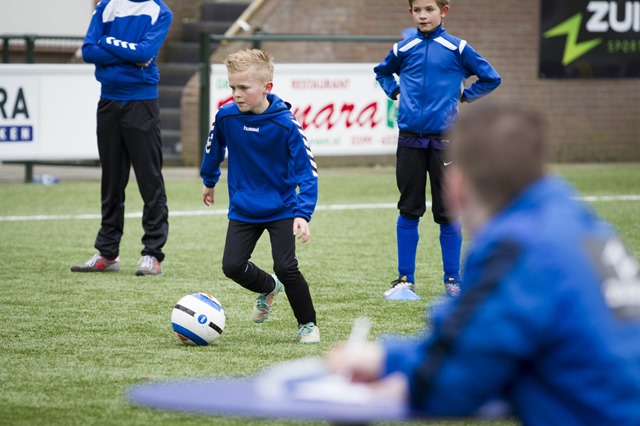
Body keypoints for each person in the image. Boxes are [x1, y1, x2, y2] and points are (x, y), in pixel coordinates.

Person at [326, 104, 640, 424]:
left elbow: (449, 379)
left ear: (456, 188)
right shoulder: (583, 224)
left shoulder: (519, 245)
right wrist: (391, 358)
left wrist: (384, 360)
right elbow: (484, 343)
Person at [374, 0, 501, 298]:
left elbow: (491, 77)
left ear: (444, 11)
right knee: (409, 209)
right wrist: (394, 91)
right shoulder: (402, 49)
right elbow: (382, 72)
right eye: (417, 10)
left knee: (448, 212)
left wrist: (465, 97)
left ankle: (453, 281)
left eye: (429, 9)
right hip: (409, 141)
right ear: (410, 13)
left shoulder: (458, 48)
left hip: (445, 143)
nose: (422, 15)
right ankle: (405, 280)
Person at [200, 49, 320, 343]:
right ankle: (268, 287)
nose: (236, 94)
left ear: (267, 87)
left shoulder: (286, 124)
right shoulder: (226, 117)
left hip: (281, 208)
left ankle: (308, 325)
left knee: (286, 267)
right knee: (232, 266)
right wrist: (209, 180)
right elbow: (214, 149)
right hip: (243, 208)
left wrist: (303, 214)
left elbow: (308, 171)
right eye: (232, 87)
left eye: (243, 88)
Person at [71, 0, 172, 276]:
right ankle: (108, 253)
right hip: (108, 101)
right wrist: (130, 54)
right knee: (111, 181)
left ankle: (152, 254)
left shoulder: (160, 11)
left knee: (149, 180)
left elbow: (147, 52)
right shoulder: (107, 6)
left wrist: (109, 42)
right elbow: (88, 50)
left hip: (142, 103)